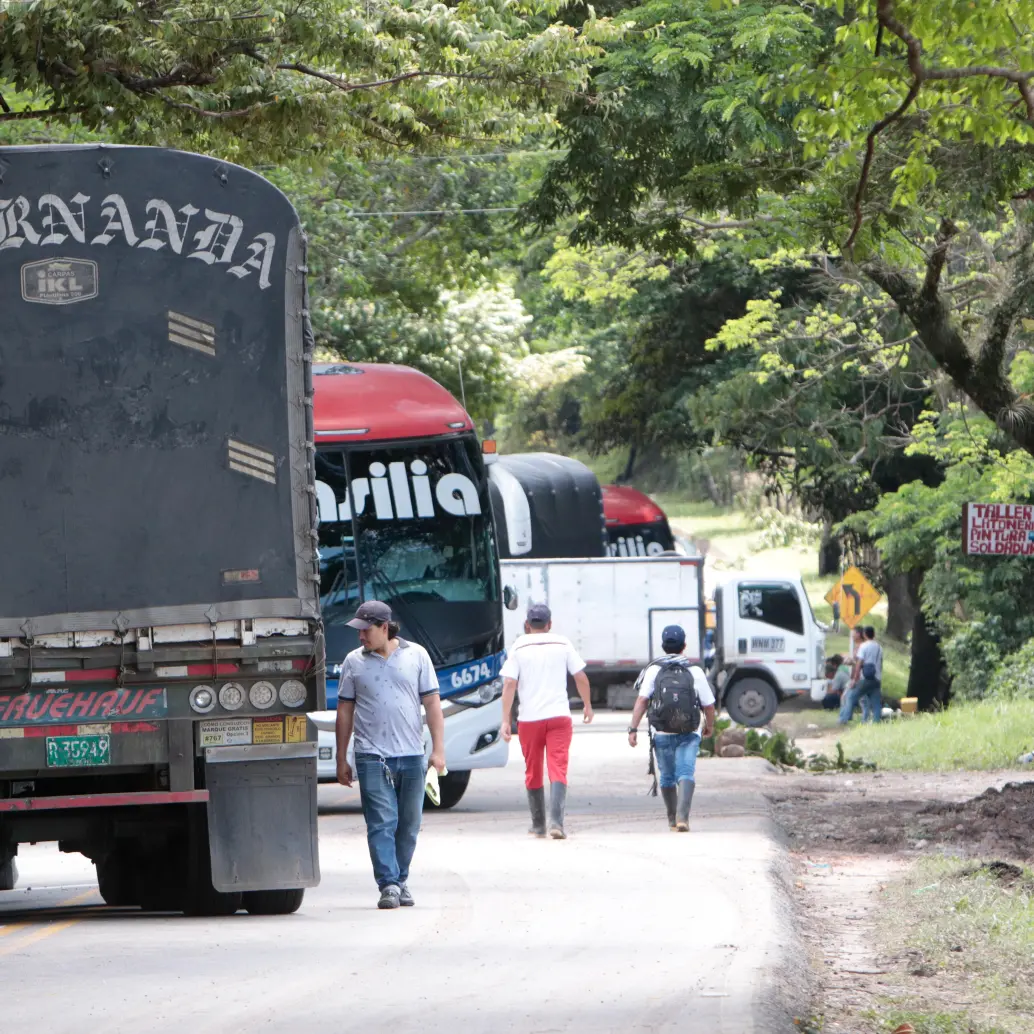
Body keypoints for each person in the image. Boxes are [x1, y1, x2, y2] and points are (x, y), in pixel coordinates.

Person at [335, 600, 446, 910]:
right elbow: (345, 711)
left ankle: (401, 878)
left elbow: (433, 705)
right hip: (371, 756)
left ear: (385, 628)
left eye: (365, 630)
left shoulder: (417, 656)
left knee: (408, 824)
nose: (360, 637)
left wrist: (438, 750)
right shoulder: (353, 662)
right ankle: (389, 885)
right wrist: (341, 756)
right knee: (382, 822)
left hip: (411, 755)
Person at [500, 602, 594, 840]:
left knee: (533, 770)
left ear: (527, 624)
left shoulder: (518, 646)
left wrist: (504, 720)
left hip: (529, 720)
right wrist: (587, 705)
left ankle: (538, 824)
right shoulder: (562, 643)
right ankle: (557, 823)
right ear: (550, 625)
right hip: (559, 718)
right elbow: (580, 676)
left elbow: (509, 684)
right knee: (558, 767)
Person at [627, 625, 716, 832]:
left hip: (662, 732)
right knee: (686, 772)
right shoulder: (694, 671)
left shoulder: (654, 669)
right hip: (689, 732)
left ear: (663, 646)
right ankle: (683, 817)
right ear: (684, 646)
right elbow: (709, 705)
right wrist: (709, 726)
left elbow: (642, 700)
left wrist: (633, 729)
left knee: (667, 776)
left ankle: (671, 819)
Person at [851, 625, 883, 723]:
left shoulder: (863, 646)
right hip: (877, 678)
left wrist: (855, 678)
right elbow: (881, 663)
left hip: (865, 677)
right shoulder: (879, 647)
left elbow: (859, 663)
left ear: (864, 634)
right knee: (876, 703)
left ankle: (846, 718)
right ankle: (876, 721)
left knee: (852, 697)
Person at [838, 627, 867, 724]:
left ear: (858, 634)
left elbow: (862, 662)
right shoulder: (857, 646)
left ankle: (844, 719)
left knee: (850, 698)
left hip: (860, 677)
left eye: (853, 633)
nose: (852, 635)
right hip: (855, 677)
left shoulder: (862, 647)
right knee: (849, 698)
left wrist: (852, 661)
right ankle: (846, 718)